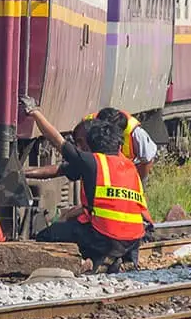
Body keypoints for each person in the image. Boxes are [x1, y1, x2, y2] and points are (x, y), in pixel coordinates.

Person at [25, 96, 149, 273]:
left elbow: (58, 142)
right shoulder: (129, 165)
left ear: (92, 144)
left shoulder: (92, 162)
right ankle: (109, 261)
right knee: (82, 224)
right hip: (134, 239)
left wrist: (35, 112)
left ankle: (80, 263)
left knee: (48, 235)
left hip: (105, 236)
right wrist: (25, 173)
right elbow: (61, 169)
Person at [85, 108, 158, 181]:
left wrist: (137, 181)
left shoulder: (137, 134)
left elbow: (147, 161)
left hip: (126, 169)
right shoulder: (88, 124)